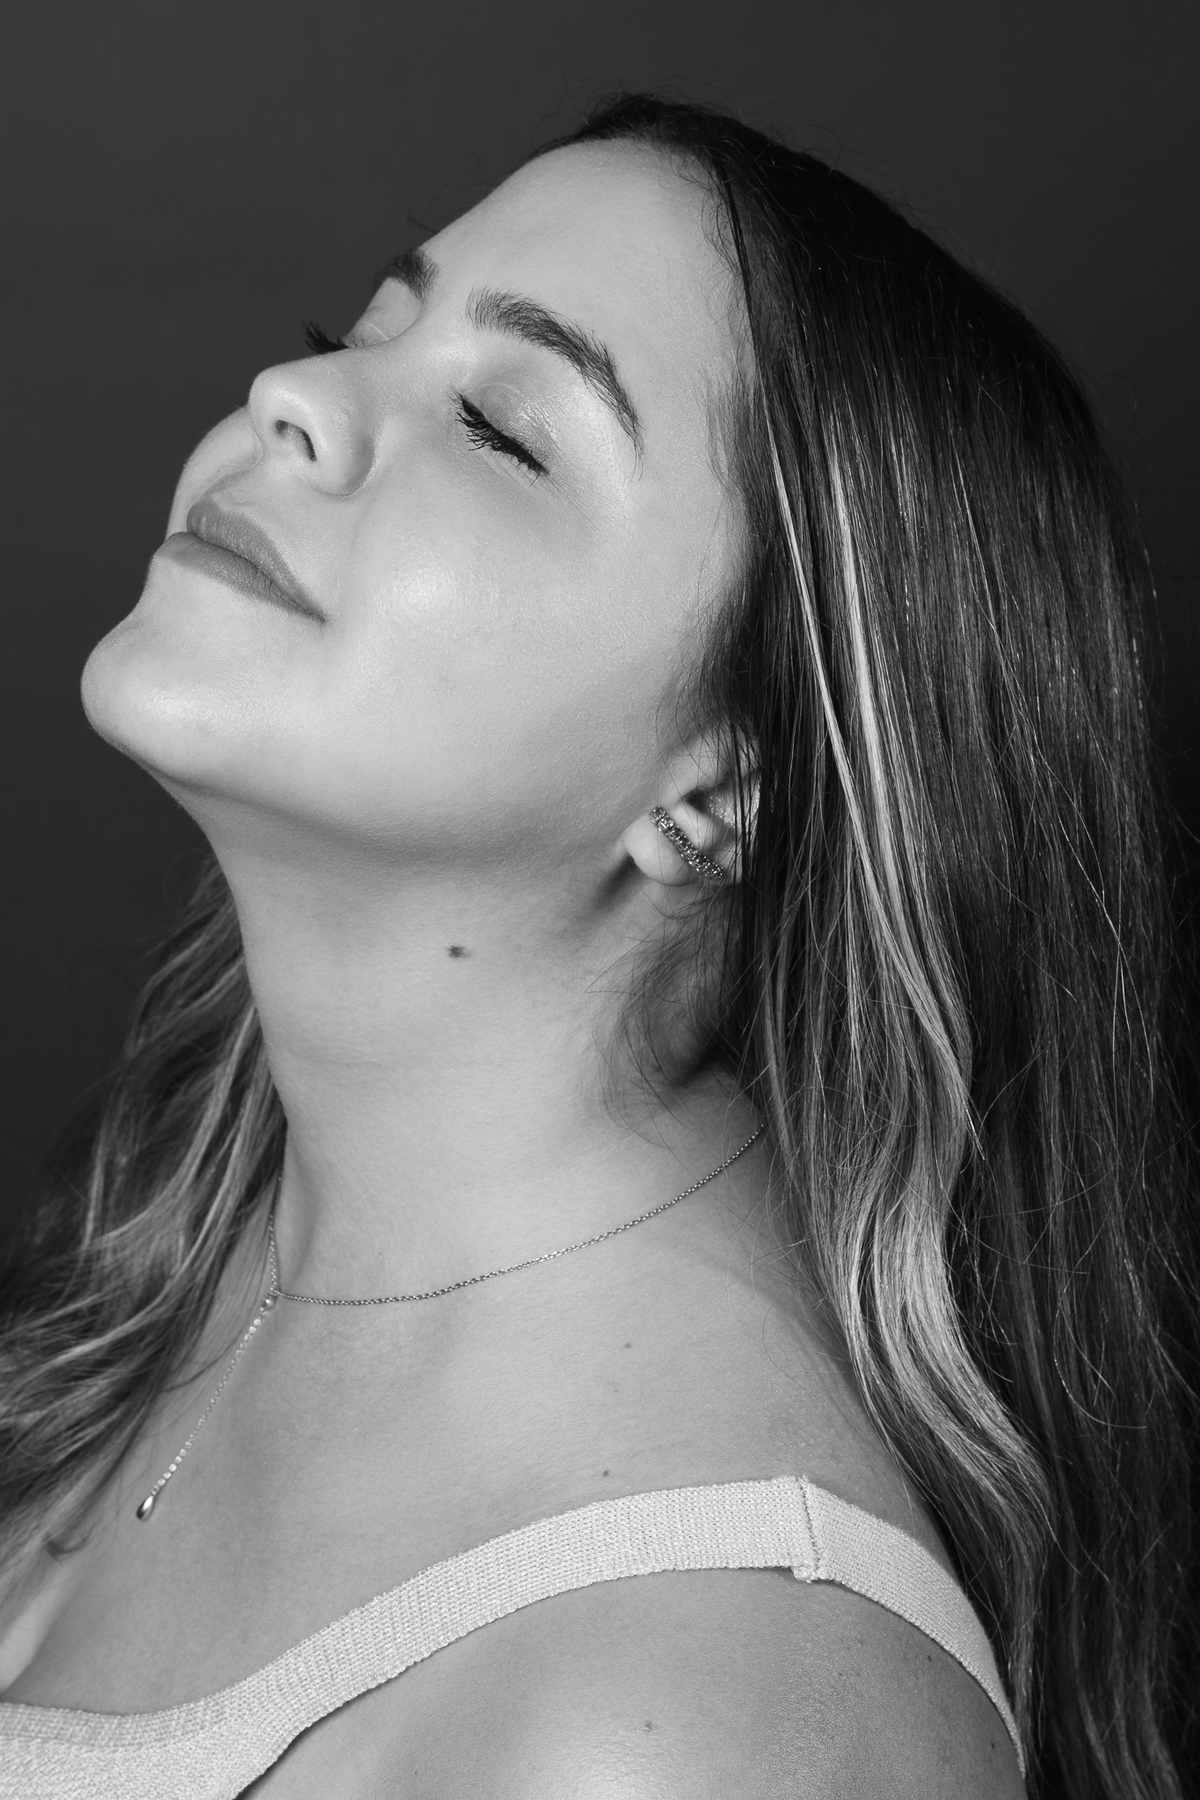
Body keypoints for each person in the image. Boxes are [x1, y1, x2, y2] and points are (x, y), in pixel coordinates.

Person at [0, 92, 1193, 1798]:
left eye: (501, 428)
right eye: (359, 335)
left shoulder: (688, 1721)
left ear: (719, 793)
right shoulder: (190, 1234)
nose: (294, 398)